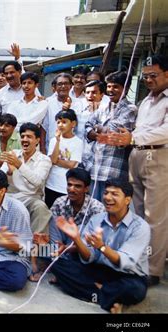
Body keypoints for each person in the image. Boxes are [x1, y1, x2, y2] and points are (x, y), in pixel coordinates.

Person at [109, 54, 168, 287]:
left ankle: (152, 270)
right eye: (145, 77)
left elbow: (165, 131)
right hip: (136, 154)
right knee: (137, 213)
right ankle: (137, 260)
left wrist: (132, 136)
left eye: (153, 76)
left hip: (158, 157)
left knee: (156, 217)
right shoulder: (146, 102)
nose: (149, 80)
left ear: (167, 74)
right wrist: (125, 135)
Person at [51, 179, 150, 313]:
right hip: (99, 270)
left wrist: (102, 247)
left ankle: (93, 290)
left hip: (128, 275)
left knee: (134, 290)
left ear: (127, 200)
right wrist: (76, 239)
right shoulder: (97, 219)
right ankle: (112, 298)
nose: (108, 198)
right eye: (106, 193)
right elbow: (88, 257)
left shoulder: (140, 227)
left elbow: (124, 262)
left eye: (114, 194)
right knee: (57, 263)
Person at [3, 122, 52, 281]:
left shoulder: (44, 160)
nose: (25, 139)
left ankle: (34, 259)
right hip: (11, 197)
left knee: (41, 208)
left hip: (31, 198)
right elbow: (0, 178)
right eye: (22, 136)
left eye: (29, 136)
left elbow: (37, 182)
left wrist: (19, 165)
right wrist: (6, 171)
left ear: (37, 140)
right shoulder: (13, 154)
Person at [83, 71, 137, 202]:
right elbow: (88, 125)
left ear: (126, 87)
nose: (111, 90)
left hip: (114, 170)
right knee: (93, 209)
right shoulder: (103, 107)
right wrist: (93, 132)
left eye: (115, 87)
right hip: (95, 168)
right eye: (109, 86)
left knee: (111, 209)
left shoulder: (130, 109)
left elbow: (113, 132)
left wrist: (98, 128)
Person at [49, 168, 105, 254]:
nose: (71, 189)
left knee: (81, 229)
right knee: (54, 220)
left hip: (84, 252)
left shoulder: (97, 208)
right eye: (69, 185)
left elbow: (93, 244)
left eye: (77, 186)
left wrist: (66, 248)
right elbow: (54, 232)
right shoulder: (59, 202)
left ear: (86, 189)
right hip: (59, 247)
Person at [45, 109, 83, 208]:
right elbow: (52, 160)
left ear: (73, 123)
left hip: (64, 186)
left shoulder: (77, 142)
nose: (61, 125)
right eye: (58, 122)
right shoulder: (54, 140)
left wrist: (57, 161)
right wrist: (58, 141)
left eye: (64, 122)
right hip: (51, 184)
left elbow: (71, 165)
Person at [42, 73, 83, 151]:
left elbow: (79, 125)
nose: (63, 86)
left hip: (72, 147)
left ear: (71, 86)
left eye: (66, 83)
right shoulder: (48, 102)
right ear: (55, 87)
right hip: (52, 146)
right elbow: (44, 127)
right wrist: (42, 148)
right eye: (60, 84)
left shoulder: (79, 103)